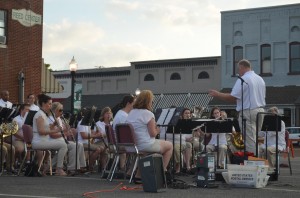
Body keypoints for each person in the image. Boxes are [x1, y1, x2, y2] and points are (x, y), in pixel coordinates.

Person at [209, 59, 266, 154]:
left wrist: (218, 94)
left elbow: (233, 97)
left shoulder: (243, 79)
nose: (238, 72)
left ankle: (252, 163)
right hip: (260, 111)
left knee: (250, 141)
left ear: (241, 67)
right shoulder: (260, 79)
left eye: (238, 70)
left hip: (249, 111)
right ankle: (257, 160)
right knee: (254, 138)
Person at [126, 90, 173, 173]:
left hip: (130, 146)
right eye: (152, 101)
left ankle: (133, 172)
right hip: (143, 145)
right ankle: (161, 172)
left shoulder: (131, 112)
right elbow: (152, 134)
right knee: (169, 146)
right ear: (148, 101)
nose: (152, 103)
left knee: (157, 146)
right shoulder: (148, 114)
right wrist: (157, 130)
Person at [31, 94, 68, 176]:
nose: (51, 106)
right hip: (39, 142)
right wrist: (57, 130)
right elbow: (41, 131)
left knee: (64, 145)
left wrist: (53, 125)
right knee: (63, 145)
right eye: (49, 104)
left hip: (44, 140)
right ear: (43, 104)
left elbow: (47, 128)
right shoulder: (40, 115)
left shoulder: (44, 114)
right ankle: (59, 169)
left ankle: (49, 167)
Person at [48, 102, 86, 175]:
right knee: (74, 146)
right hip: (54, 140)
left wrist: (67, 129)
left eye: (62, 110)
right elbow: (52, 135)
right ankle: (72, 168)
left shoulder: (60, 119)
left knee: (79, 144)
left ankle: (81, 166)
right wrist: (65, 133)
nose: (62, 112)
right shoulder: (50, 119)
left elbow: (63, 131)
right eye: (60, 110)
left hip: (61, 140)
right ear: (54, 110)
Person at [77, 107, 105, 172]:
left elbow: (90, 133)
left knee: (101, 148)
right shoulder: (81, 123)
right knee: (98, 149)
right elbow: (84, 136)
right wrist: (95, 135)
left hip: (87, 143)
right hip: (81, 143)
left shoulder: (88, 123)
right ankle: (90, 167)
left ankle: (90, 166)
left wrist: (96, 133)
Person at [166, 108, 193, 173]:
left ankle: (188, 166)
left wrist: (194, 133)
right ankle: (178, 164)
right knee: (176, 147)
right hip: (174, 142)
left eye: (188, 113)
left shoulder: (187, 123)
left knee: (189, 145)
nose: (187, 115)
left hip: (182, 142)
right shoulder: (174, 122)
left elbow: (187, 137)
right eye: (186, 113)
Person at [112, 95, 135, 171]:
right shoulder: (124, 116)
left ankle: (130, 170)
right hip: (122, 144)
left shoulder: (120, 113)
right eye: (133, 103)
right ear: (129, 103)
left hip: (118, 143)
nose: (134, 106)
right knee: (143, 148)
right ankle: (133, 171)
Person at [95, 107, 113, 171]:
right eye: (107, 113)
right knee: (105, 148)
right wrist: (107, 134)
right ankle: (104, 168)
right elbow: (97, 135)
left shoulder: (112, 123)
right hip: (100, 142)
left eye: (110, 113)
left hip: (110, 143)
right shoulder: (98, 124)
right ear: (103, 115)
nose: (109, 115)